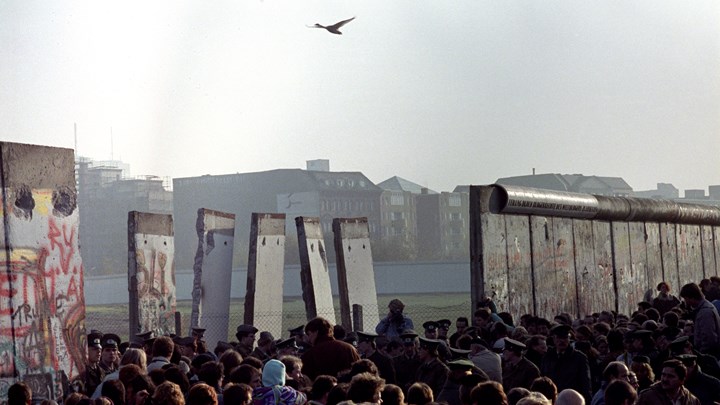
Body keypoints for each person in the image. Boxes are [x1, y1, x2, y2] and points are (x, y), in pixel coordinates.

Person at [540, 324, 592, 403]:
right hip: (551, 400)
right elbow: (543, 380)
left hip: (572, 400)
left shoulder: (579, 358)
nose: (562, 341)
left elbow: (586, 384)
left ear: (569, 339)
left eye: (565, 338)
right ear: (554, 339)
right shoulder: (548, 357)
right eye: (559, 338)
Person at [679, 283, 720, 357]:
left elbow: (709, 338)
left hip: (708, 356)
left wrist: (701, 355)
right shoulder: (706, 308)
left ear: (692, 297)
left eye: (686, 298)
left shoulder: (705, 312)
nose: (686, 302)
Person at [80, 331, 105, 396]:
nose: (98, 352)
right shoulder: (83, 372)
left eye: (99, 349)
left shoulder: (101, 371)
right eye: (94, 349)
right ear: (86, 351)